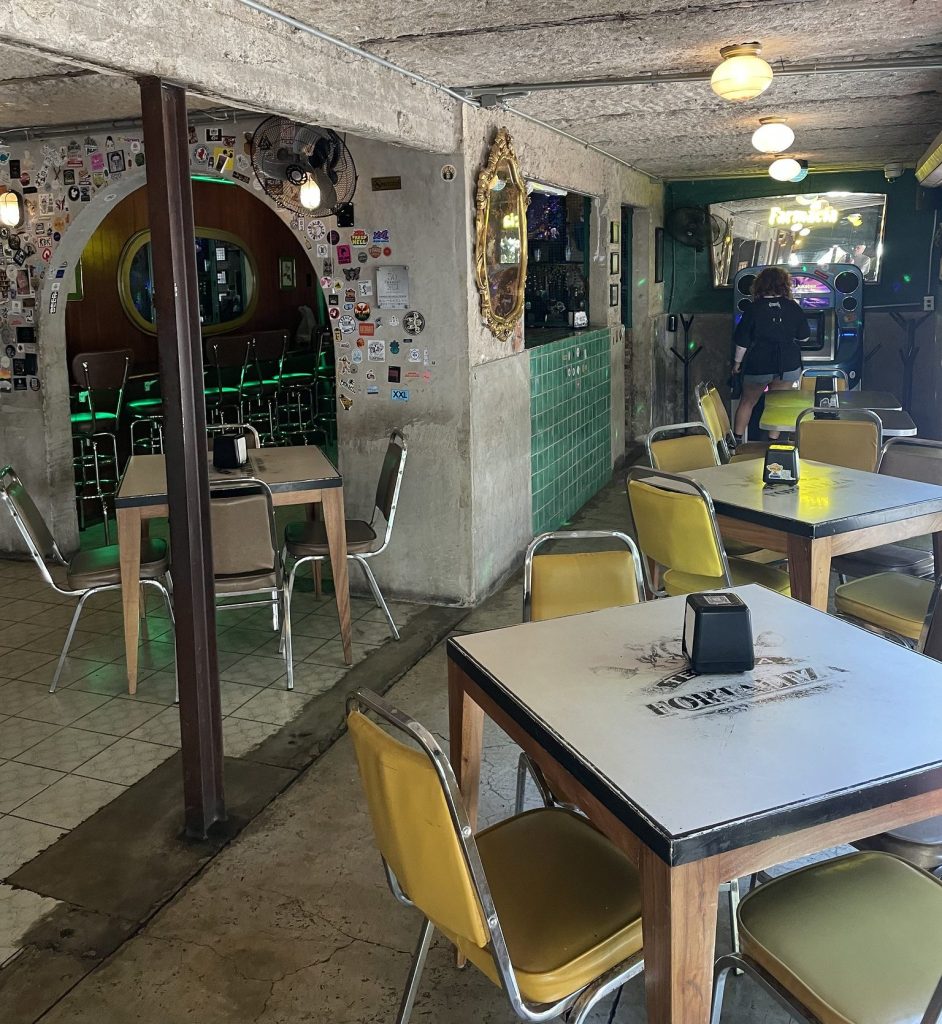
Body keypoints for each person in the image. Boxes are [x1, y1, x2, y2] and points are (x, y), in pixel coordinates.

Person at [731, 266, 810, 442]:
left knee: (747, 402)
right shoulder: (793, 307)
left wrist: (737, 364)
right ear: (785, 285)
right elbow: (804, 337)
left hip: (759, 363)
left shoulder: (753, 309)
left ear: (759, 285)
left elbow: (742, 341)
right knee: (778, 406)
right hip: (787, 364)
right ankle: (773, 442)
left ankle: (735, 441)